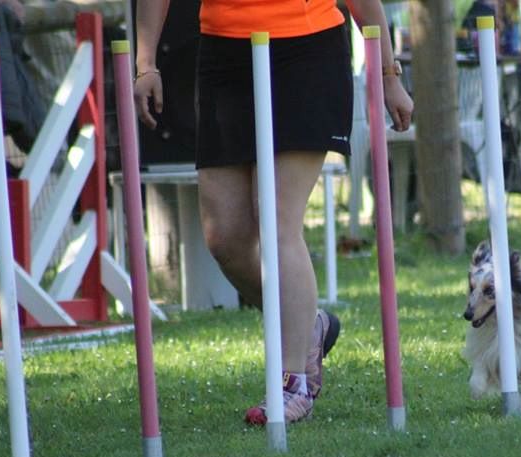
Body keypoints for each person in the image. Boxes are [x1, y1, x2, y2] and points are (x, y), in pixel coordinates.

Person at [134, 0, 414, 425]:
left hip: (306, 51)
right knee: (224, 236)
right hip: (223, 55)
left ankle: (294, 382)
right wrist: (145, 63)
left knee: (276, 218)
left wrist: (389, 74)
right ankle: (310, 326)